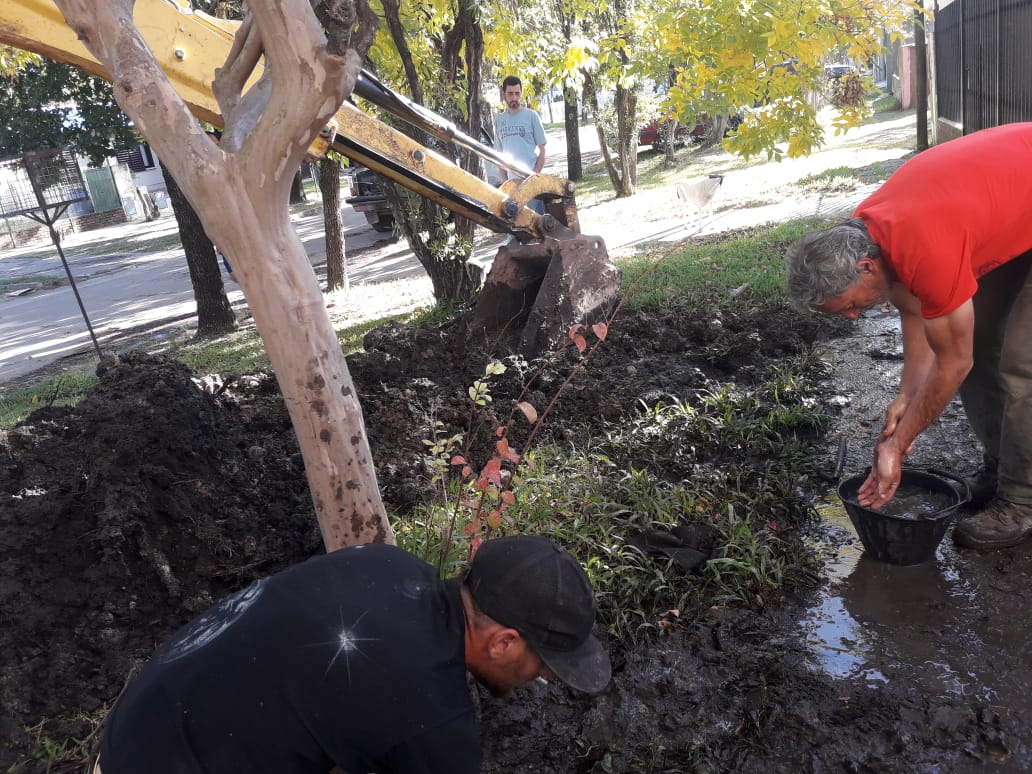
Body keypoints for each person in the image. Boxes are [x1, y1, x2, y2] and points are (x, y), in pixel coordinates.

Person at [95, 536, 610, 773]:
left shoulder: (390, 563)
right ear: (504, 642)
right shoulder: (430, 719)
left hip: (138, 724)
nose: (540, 676)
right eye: (544, 663)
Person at [785, 122, 1032, 551]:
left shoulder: (925, 247)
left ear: (865, 268)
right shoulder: (869, 232)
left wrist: (898, 446)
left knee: (1020, 368)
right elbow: (917, 312)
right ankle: (1001, 464)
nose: (851, 317)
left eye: (850, 305)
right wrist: (907, 396)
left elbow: (954, 361)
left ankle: (1023, 499)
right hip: (1013, 203)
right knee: (977, 345)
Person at [493, 75, 547, 214]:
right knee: (514, 230)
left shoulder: (532, 117)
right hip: (511, 187)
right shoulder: (499, 120)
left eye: (517, 93)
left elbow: (543, 150)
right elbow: (499, 156)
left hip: (532, 185)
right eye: (510, 94)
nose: (514, 98)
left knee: (537, 226)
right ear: (503, 94)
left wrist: (534, 177)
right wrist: (505, 182)